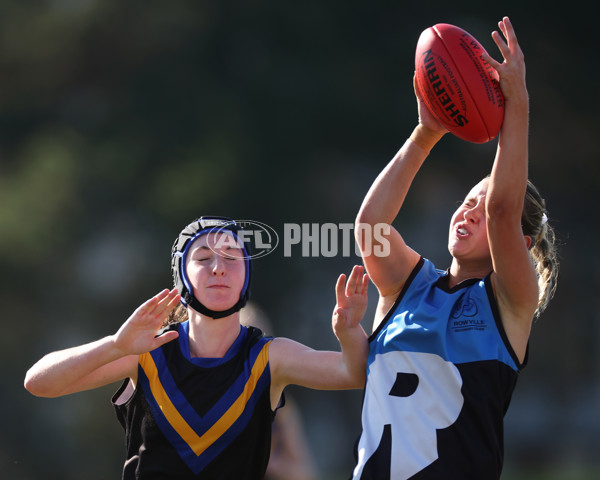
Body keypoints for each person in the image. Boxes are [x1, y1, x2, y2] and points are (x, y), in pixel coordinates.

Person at [351, 17, 558, 480]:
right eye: (466, 202)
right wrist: (426, 133)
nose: (469, 212)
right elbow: (370, 228)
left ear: (520, 247)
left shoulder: (510, 303)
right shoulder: (409, 287)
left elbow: (505, 210)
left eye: (479, 210)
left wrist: (517, 101)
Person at [24, 216, 370, 479]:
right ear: (182, 275)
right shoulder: (146, 351)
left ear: (246, 275)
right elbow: (39, 383)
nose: (219, 268)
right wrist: (116, 345)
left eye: (232, 257)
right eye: (203, 258)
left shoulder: (270, 357)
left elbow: (353, 374)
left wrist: (349, 330)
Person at [240, 302, 318, 480]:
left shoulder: (281, 408)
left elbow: (304, 472)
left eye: (262, 346)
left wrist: (266, 461)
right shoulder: (209, 397)